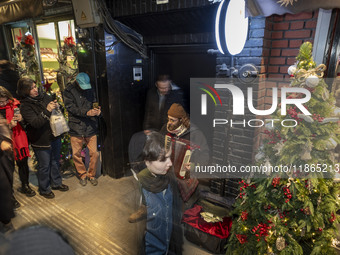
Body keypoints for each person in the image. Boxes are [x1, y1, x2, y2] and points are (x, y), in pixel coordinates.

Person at [17, 78, 69, 199]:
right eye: (31, 89)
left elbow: (56, 110)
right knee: (44, 166)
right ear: (25, 91)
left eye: (35, 86)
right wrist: (47, 110)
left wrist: (57, 106)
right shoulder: (25, 106)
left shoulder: (43, 96)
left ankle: (56, 183)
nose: (35, 90)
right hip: (40, 140)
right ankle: (44, 189)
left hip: (54, 134)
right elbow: (35, 123)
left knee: (55, 161)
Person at [137, 132, 182, 255]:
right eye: (163, 159)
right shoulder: (138, 187)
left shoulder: (168, 178)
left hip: (168, 247)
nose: (170, 163)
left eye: (170, 157)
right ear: (147, 161)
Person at [63, 72, 100, 186]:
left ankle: (91, 175)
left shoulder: (90, 87)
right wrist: (86, 112)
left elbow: (94, 101)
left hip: (90, 125)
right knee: (76, 154)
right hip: (76, 126)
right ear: (77, 82)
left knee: (95, 153)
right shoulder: (68, 91)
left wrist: (97, 109)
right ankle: (82, 174)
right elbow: (70, 108)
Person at [0, 86, 35, 197]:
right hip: (4, 142)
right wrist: (9, 125)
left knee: (23, 164)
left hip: (19, 138)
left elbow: (27, 122)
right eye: (1, 102)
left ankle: (25, 185)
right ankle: (10, 195)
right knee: (8, 169)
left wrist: (22, 119)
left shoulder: (15, 104)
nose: (4, 103)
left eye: (6, 100)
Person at [0, 116, 15, 232]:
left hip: (5, 156)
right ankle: (6, 221)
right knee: (3, 187)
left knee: (7, 184)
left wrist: (8, 125)